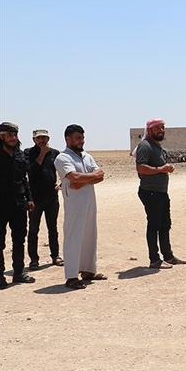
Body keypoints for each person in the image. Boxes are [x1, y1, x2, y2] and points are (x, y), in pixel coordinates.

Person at [54, 124, 105, 289]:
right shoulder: (62, 158)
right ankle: (71, 276)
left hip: (89, 201)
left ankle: (88, 270)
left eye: (82, 138)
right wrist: (90, 177)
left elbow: (100, 176)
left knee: (90, 235)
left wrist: (84, 181)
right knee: (73, 237)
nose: (81, 141)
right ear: (67, 139)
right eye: (78, 138)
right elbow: (73, 176)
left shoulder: (86, 156)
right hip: (74, 204)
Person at [136, 118, 186, 269]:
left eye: (163, 127)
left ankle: (168, 256)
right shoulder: (145, 146)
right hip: (151, 192)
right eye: (157, 127)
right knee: (154, 226)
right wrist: (161, 169)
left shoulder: (157, 147)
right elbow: (141, 168)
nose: (161, 130)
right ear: (149, 130)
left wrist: (166, 168)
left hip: (161, 192)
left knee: (165, 224)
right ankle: (154, 259)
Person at [0, 121, 35, 288]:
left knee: (19, 239)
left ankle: (19, 273)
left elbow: (23, 179)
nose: (14, 138)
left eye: (15, 135)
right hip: (0, 206)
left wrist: (29, 198)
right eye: (10, 135)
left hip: (19, 204)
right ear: (1, 136)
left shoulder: (20, 155)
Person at [25, 129, 63, 270]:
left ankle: (55, 256)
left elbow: (63, 170)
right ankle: (34, 260)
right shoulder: (28, 153)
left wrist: (61, 184)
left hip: (51, 197)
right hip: (35, 197)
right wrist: (42, 153)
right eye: (39, 138)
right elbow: (31, 170)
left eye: (44, 138)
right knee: (33, 229)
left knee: (52, 228)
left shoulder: (55, 153)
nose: (42, 140)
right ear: (34, 139)